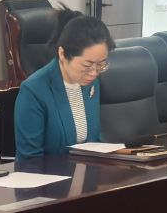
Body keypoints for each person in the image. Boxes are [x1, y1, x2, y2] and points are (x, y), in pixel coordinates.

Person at [14, 10, 112, 158]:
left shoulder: (91, 83)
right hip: (48, 172)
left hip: (88, 169)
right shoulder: (33, 91)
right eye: (87, 65)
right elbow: (30, 159)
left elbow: (94, 142)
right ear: (63, 54)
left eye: (101, 65)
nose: (94, 73)